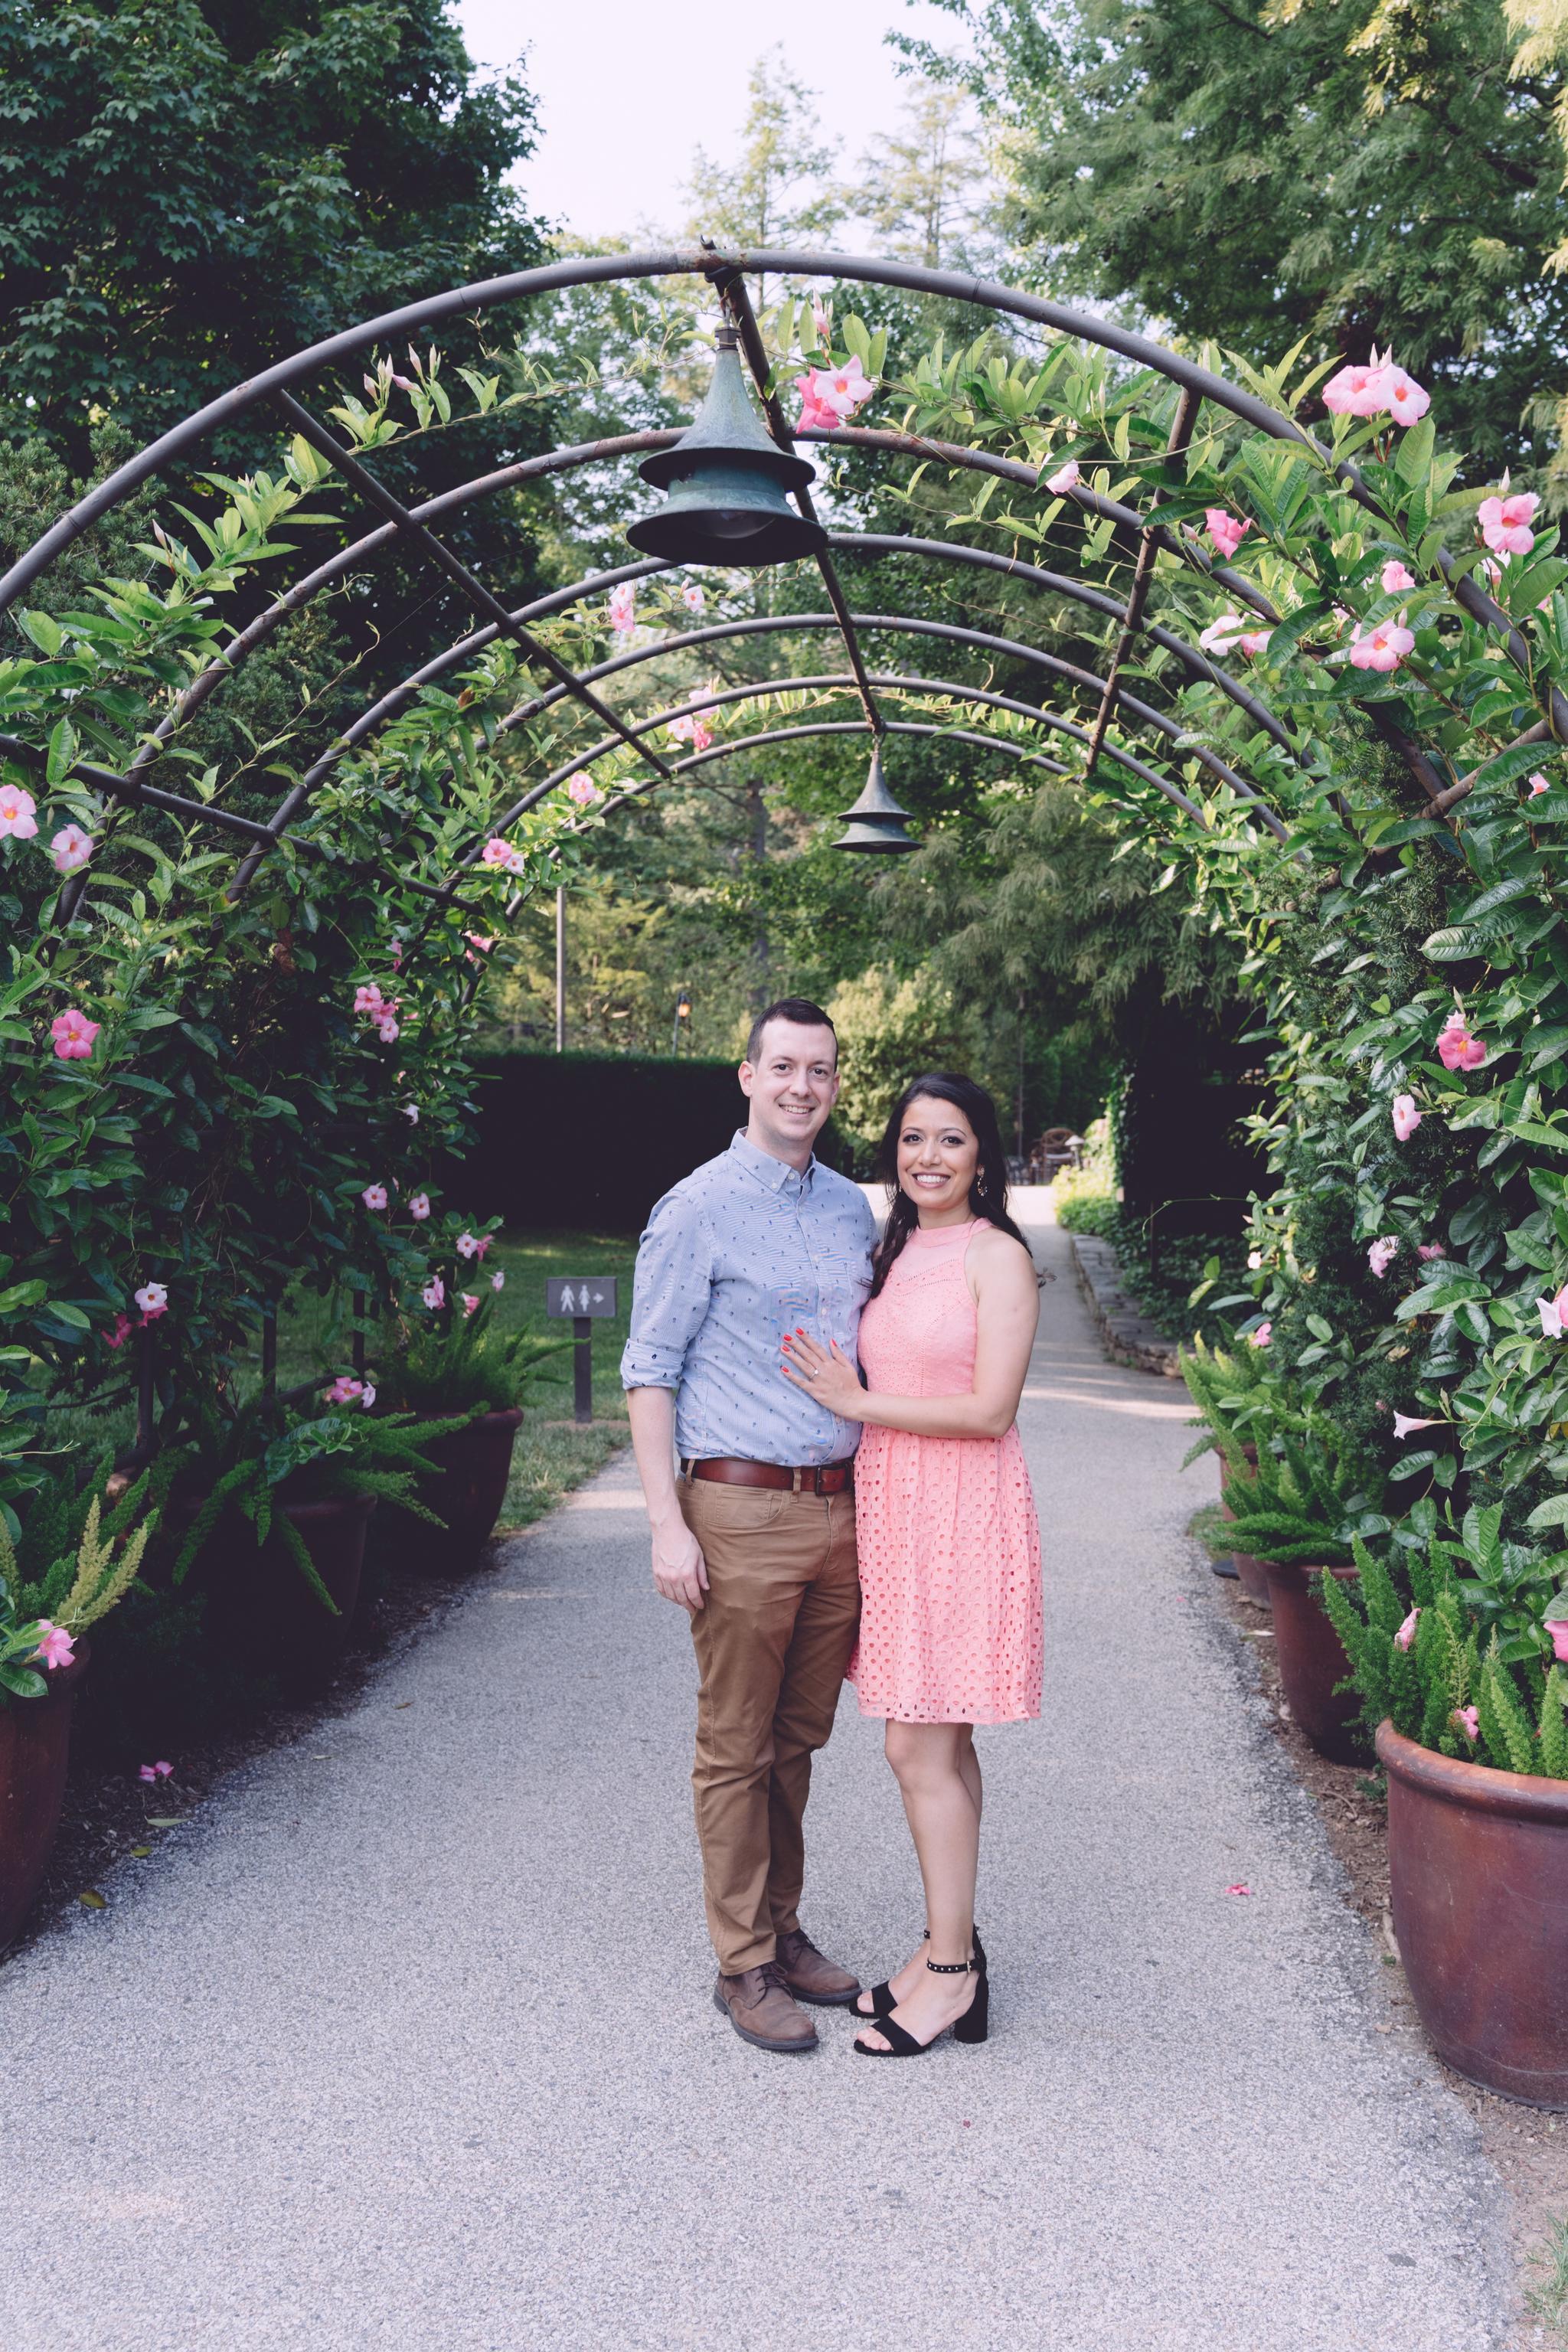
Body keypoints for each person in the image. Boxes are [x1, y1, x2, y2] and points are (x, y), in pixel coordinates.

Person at [621, 998, 877, 2054]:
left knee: (797, 1744)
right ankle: (743, 1966)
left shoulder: (850, 1211)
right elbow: (649, 1371)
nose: (802, 1088)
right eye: (783, 1068)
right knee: (735, 1748)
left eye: (819, 1071)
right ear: (747, 1077)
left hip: (836, 1514)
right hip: (736, 1510)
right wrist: (665, 1524)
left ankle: (782, 1925)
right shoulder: (696, 1209)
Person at [781, 1073, 1042, 2058]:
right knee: (941, 1746)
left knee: (915, 1749)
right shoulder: (895, 1249)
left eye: (951, 1140)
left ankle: (945, 1977)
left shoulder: (996, 1256)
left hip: (962, 1514)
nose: (928, 1157)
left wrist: (855, 1406)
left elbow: (988, 1412)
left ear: (983, 1158)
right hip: (897, 1512)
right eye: (912, 1139)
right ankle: (952, 1956)